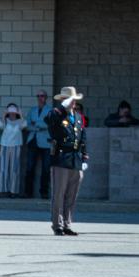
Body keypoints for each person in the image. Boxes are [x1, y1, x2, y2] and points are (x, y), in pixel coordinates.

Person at [47, 86, 88, 236]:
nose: (73, 103)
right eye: (70, 100)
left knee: (72, 194)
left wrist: (84, 156)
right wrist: (62, 109)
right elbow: (49, 120)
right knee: (59, 193)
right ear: (64, 101)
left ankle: (67, 223)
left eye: (74, 100)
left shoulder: (78, 116)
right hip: (61, 158)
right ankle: (57, 225)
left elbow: (82, 137)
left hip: (75, 159)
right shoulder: (56, 114)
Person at [23, 90, 52, 198]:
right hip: (33, 140)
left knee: (46, 168)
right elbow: (27, 125)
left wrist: (37, 124)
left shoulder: (50, 110)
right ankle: (28, 192)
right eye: (39, 96)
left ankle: (44, 192)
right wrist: (39, 126)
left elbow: (50, 125)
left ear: (46, 97)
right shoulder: (32, 110)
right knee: (30, 168)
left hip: (46, 142)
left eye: (42, 96)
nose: (40, 98)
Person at [0, 103, 26, 197]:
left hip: (16, 146)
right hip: (4, 146)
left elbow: (24, 125)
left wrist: (20, 114)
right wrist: (4, 115)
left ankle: (13, 191)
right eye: (10, 112)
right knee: (2, 168)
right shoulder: (4, 121)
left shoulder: (20, 122)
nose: (12, 114)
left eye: (13, 112)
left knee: (14, 169)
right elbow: (0, 125)